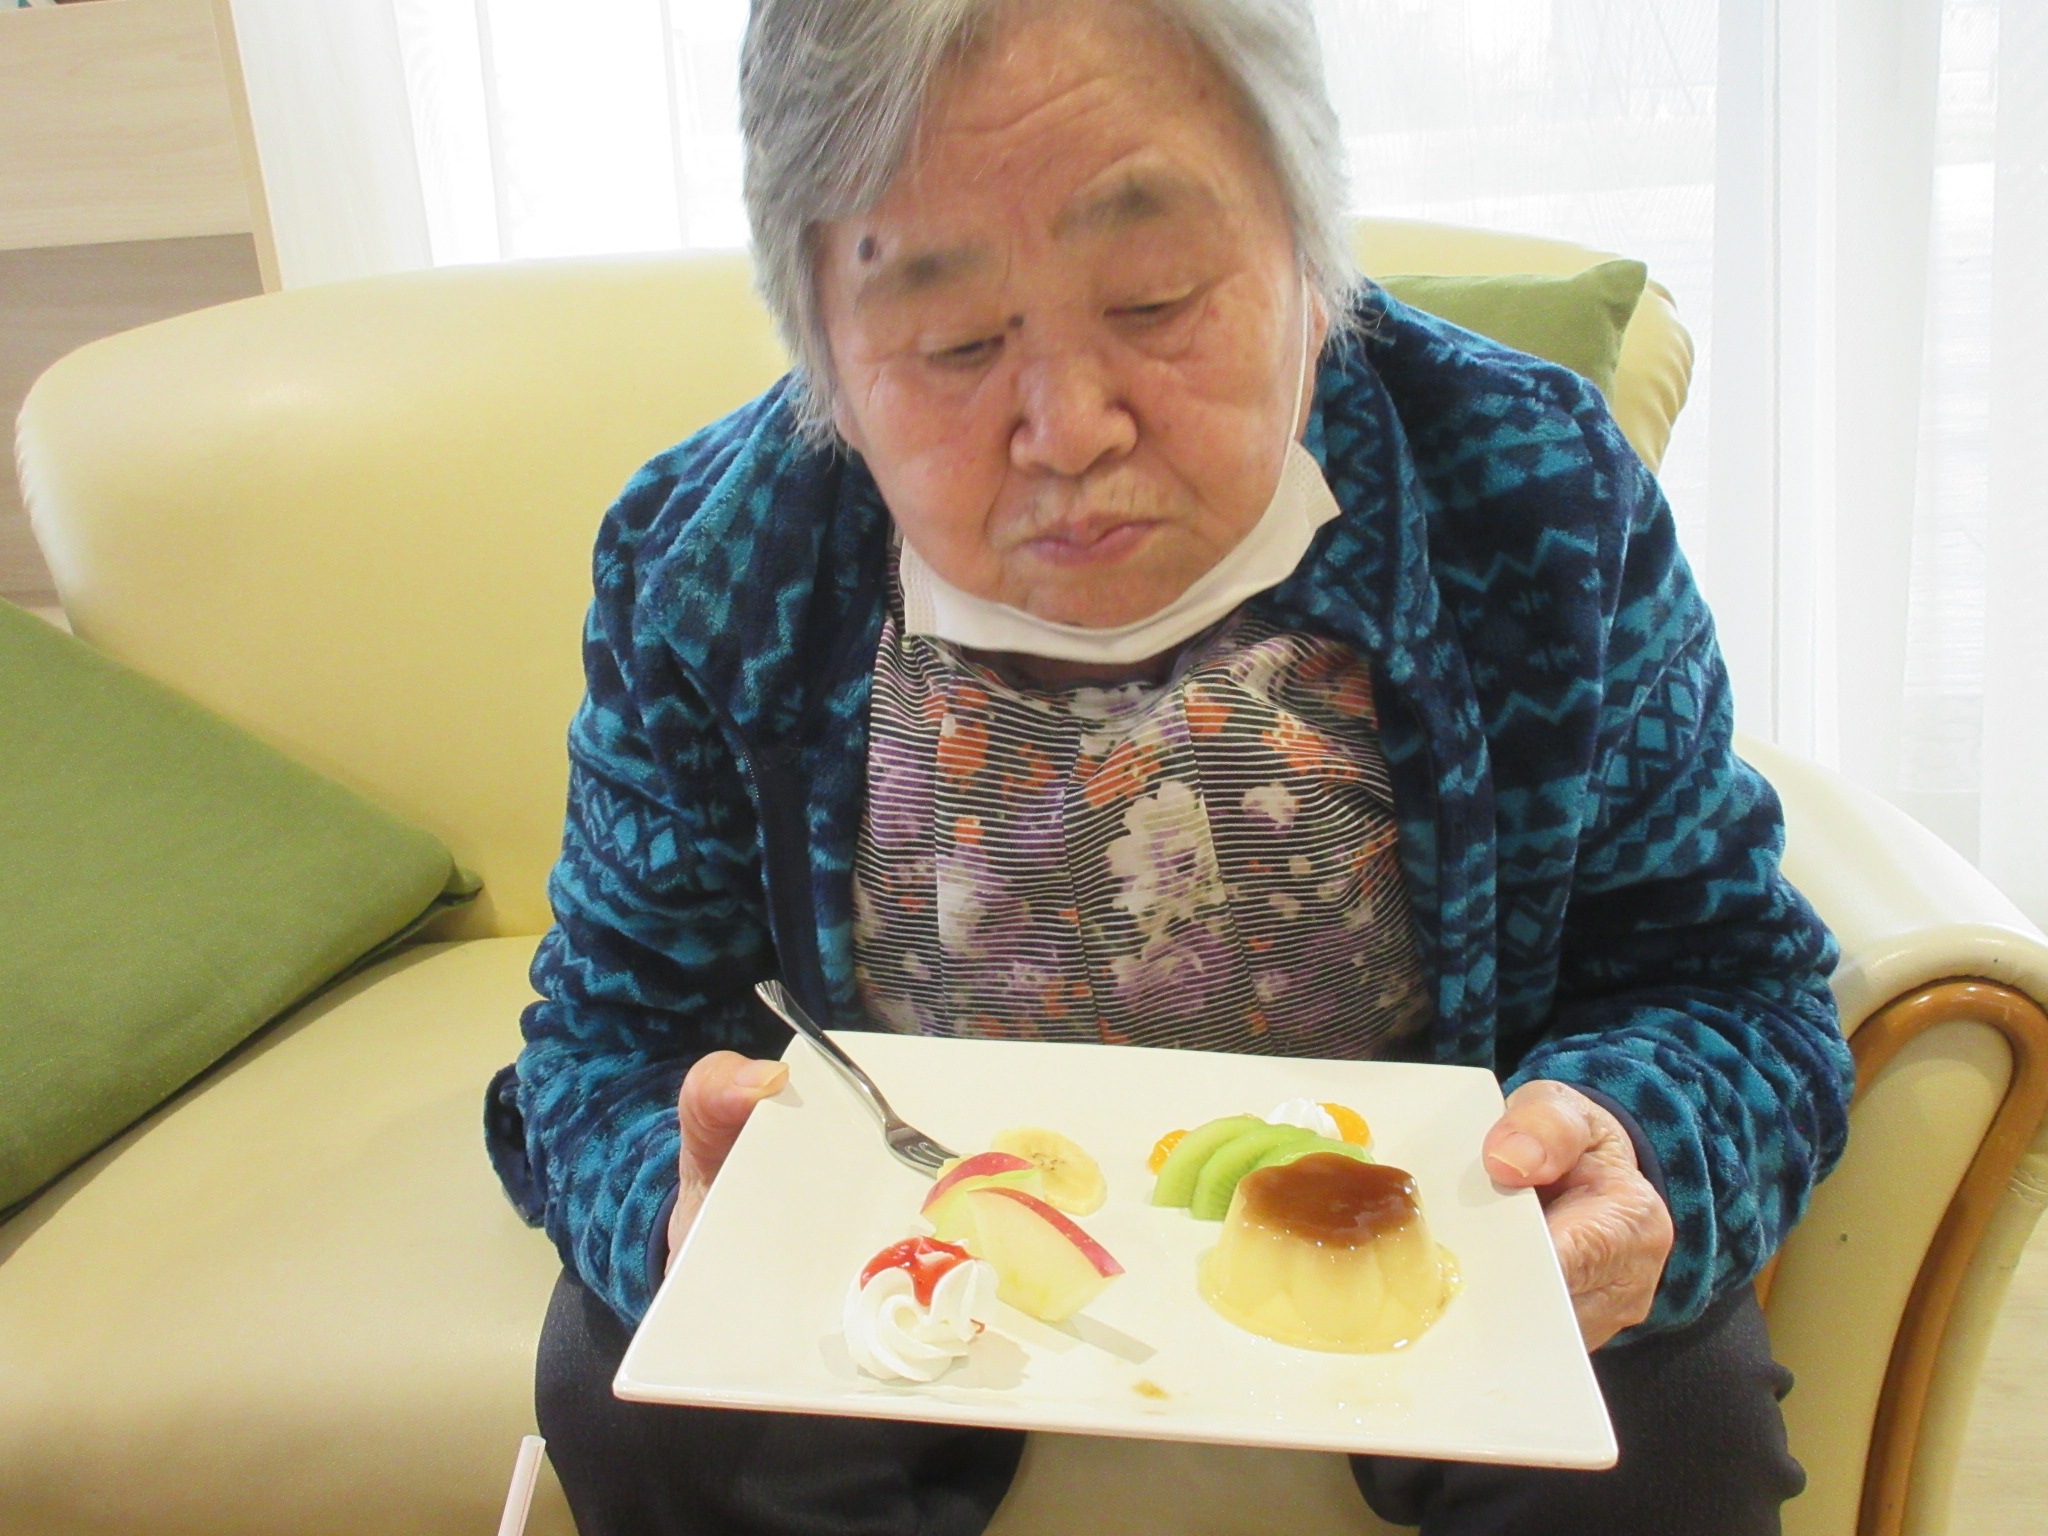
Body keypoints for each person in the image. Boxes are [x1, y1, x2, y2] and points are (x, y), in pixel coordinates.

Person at [484, 0, 1855, 1531]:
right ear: (824, 355)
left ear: (1310, 260)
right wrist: (683, 1207)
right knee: (631, 1389)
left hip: (1412, 1233)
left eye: (1155, 299)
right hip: (921, 1234)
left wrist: (1625, 1143)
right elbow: (604, 1044)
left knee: (1671, 1431)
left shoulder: (1530, 495)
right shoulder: (714, 565)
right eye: (953, 343)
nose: (1070, 431)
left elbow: (1729, 985)